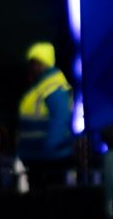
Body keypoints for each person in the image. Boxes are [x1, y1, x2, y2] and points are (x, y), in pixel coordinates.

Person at [17, 41, 76, 186]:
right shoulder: (40, 86)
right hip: (36, 158)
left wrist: (49, 148)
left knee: (51, 202)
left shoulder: (53, 87)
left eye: (34, 62)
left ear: (43, 63)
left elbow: (60, 120)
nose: (31, 67)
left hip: (50, 160)